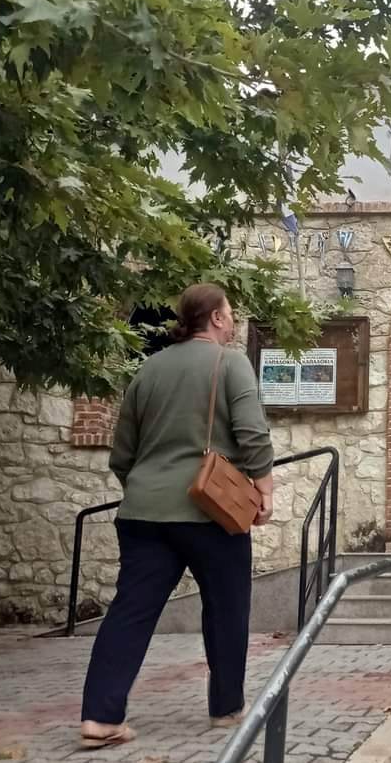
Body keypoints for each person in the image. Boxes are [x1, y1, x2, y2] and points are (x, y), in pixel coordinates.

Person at [79, 283, 273, 749]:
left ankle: (100, 717)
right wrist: (264, 490)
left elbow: (122, 453)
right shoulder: (231, 363)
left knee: (130, 611)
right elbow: (252, 433)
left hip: (143, 512)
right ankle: (226, 707)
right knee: (227, 609)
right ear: (217, 318)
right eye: (230, 312)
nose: (232, 319)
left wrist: (147, 490)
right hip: (211, 512)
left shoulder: (148, 368)